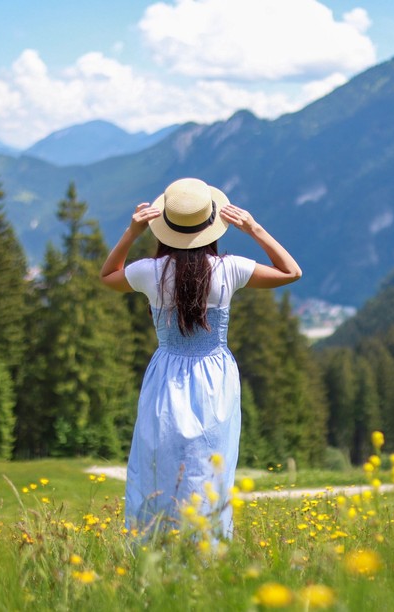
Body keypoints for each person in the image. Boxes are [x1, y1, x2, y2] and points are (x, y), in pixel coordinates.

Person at [100, 177, 301, 538]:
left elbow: (108, 276)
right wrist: (254, 228)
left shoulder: (150, 271)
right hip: (215, 376)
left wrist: (131, 232)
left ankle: (158, 541)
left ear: (164, 228)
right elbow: (291, 272)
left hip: (165, 374)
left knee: (158, 463)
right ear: (212, 226)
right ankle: (206, 546)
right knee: (210, 466)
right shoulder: (230, 269)